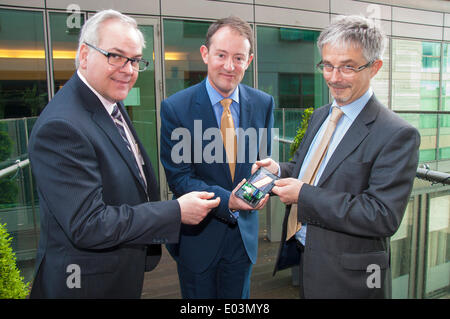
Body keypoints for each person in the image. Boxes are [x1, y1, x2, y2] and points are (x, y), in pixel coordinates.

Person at [28, 9, 219, 299]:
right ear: (84, 55)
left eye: (134, 60)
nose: (128, 69)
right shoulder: (62, 126)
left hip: (116, 271)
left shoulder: (108, 102)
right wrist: (176, 210)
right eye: (115, 56)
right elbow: (88, 224)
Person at [253, 15, 420, 298]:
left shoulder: (397, 134)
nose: (333, 77)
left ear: (375, 67)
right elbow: (311, 168)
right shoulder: (321, 115)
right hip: (308, 257)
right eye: (327, 65)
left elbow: (381, 216)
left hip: (353, 276)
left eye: (347, 67)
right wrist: (280, 170)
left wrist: (303, 195)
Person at [160, 16, 274, 298]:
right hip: (198, 240)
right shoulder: (176, 108)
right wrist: (228, 201)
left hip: (243, 239)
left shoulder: (263, 103)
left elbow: (263, 162)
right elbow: (180, 179)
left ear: (248, 61)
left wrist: (269, 176)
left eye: (238, 57)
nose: (229, 66)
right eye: (221, 55)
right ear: (205, 54)